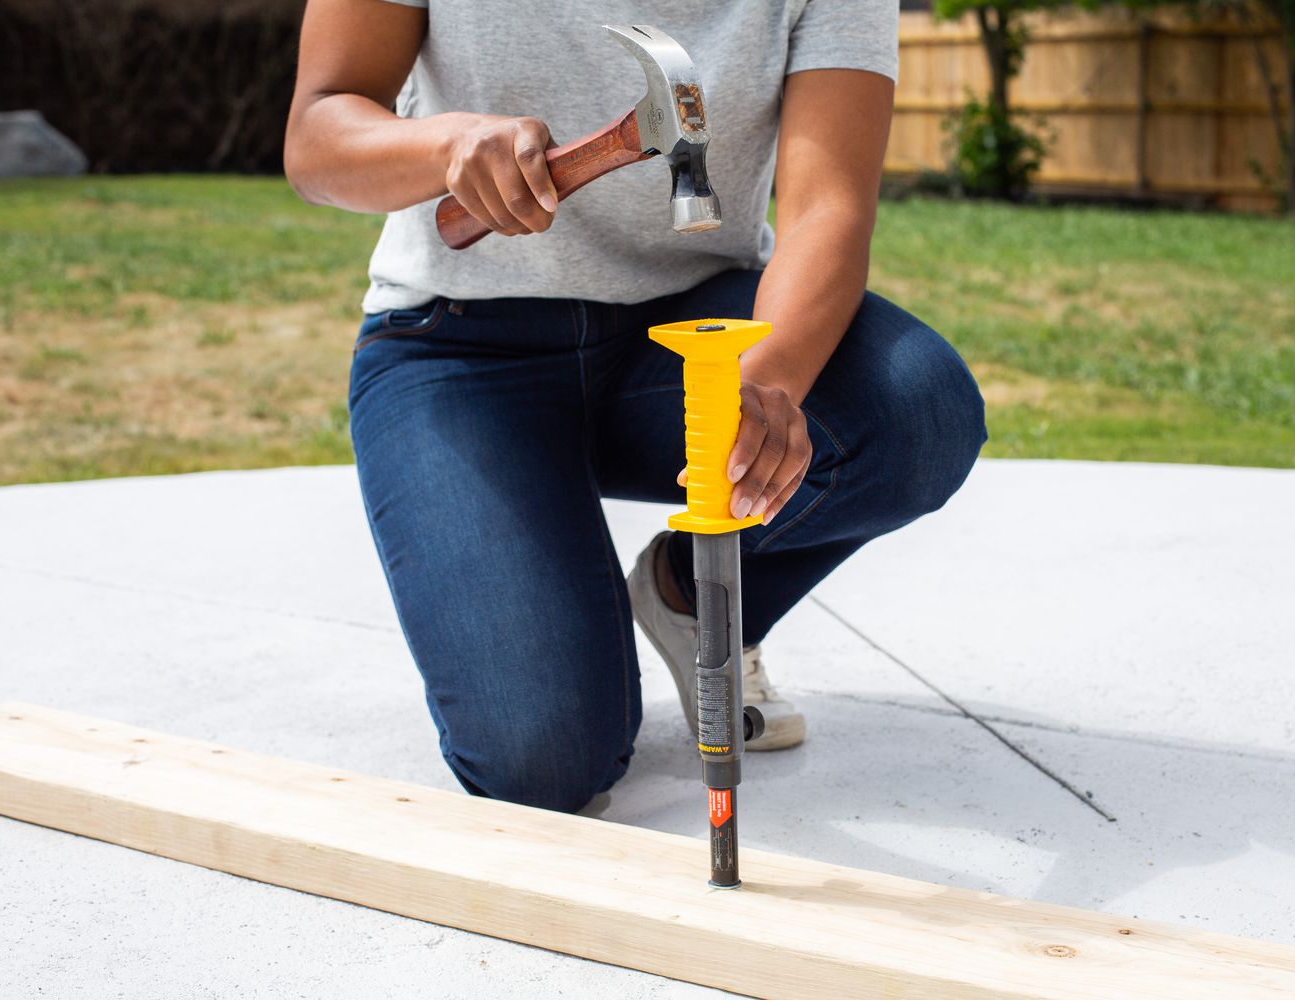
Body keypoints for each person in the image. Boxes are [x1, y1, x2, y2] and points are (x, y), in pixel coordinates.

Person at [284, 0, 987, 815]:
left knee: (916, 413)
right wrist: (446, 145)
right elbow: (316, 137)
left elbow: (826, 205)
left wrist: (766, 384)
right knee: (542, 761)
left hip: (693, 330)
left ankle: (693, 596)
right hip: (461, 345)